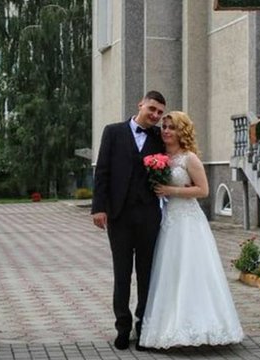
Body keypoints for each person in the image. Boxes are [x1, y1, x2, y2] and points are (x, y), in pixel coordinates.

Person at [139, 111, 244, 349]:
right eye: (164, 127)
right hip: (168, 220)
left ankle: (203, 327)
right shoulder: (160, 157)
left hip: (188, 221)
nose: (166, 131)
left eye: (171, 127)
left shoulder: (189, 159)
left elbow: (204, 191)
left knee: (192, 271)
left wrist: (171, 190)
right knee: (170, 272)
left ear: (181, 131)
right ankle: (169, 327)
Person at [91, 90, 166, 351]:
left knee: (147, 274)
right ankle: (122, 328)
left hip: (149, 216)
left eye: (159, 113)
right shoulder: (112, 132)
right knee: (121, 274)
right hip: (119, 216)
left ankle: (143, 326)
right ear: (141, 104)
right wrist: (98, 208)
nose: (155, 115)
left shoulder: (159, 138)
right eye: (152, 109)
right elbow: (102, 171)